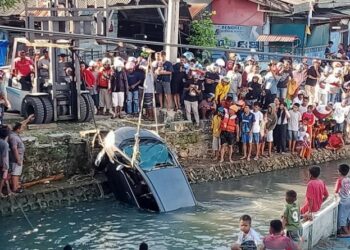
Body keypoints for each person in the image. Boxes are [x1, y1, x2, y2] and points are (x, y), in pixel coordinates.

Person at [9, 115, 34, 193]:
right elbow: (14, 149)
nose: (23, 129)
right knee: (15, 173)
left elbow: (21, 124)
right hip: (16, 158)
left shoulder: (14, 133)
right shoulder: (13, 137)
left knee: (17, 172)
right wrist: (18, 159)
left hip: (19, 156)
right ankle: (15, 188)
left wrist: (28, 119)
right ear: (18, 129)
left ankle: (16, 186)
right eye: (21, 128)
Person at [334, 164, 350, 236]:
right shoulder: (348, 179)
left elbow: (336, 191)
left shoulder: (340, 180)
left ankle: (347, 233)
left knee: (342, 219)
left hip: (343, 202)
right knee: (347, 216)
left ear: (339, 172)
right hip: (348, 199)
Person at [0, 125, 11, 197]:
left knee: (5, 177)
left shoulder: (2, 142)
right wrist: (5, 167)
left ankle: (9, 191)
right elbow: (4, 156)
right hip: (3, 163)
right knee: (3, 178)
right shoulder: (5, 144)